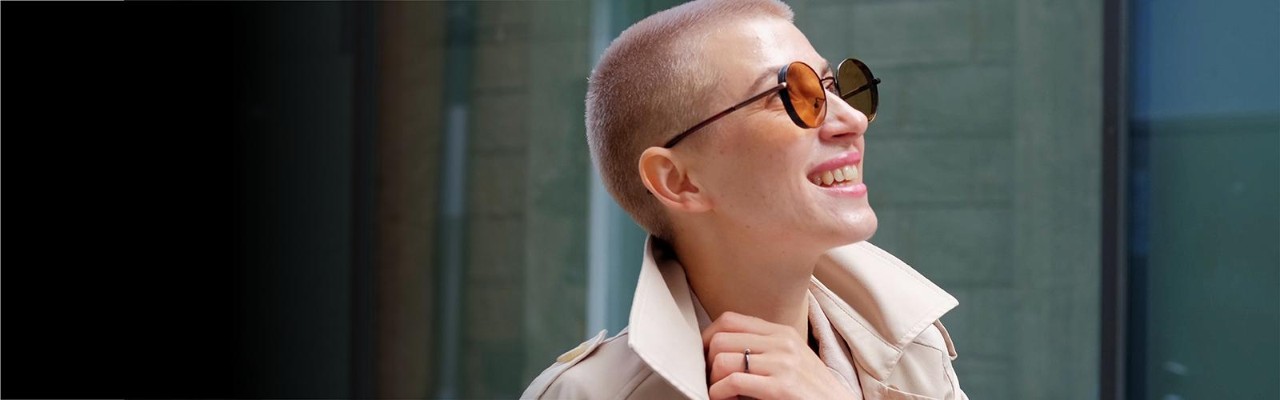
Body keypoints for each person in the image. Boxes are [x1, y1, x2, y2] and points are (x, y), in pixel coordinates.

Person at [522, 0, 967, 398]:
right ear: (679, 180)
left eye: (831, 87)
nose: (852, 119)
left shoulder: (914, 354)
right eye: (789, 95)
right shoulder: (588, 394)